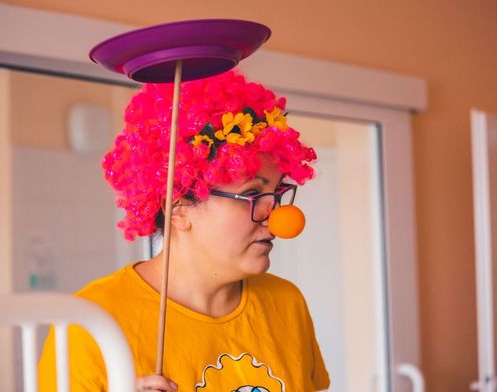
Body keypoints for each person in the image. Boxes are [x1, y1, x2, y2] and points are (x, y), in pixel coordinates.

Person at [38, 71, 330, 391]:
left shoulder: (287, 302)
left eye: (277, 193)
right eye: (251, 194)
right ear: (177, 208)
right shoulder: (91, 323)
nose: (276, 216)